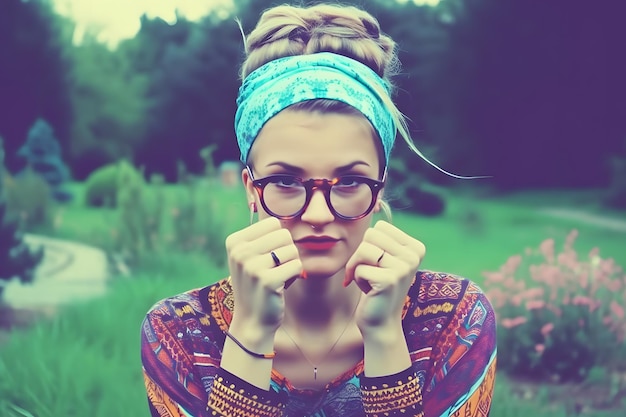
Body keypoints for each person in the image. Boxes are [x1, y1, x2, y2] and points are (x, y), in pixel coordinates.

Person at [140, 3, 497, 416]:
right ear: (251, 190)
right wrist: (250, 336)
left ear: (379, 189)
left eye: (349, 182)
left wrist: (385, 339)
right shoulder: (179, 334)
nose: (318, 214)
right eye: (286, 182)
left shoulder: (454, 322)